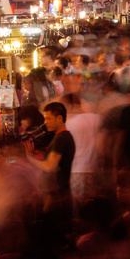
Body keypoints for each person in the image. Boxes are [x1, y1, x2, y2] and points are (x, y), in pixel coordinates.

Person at [24, 102, 75, 244]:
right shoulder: (58, 138)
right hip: (56, 194)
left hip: (57, 195)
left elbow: (49, 166)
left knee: (55, 237)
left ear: (59, 118)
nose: (45, 122)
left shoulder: (62, 138)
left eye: (48, 119)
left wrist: (30, 158)